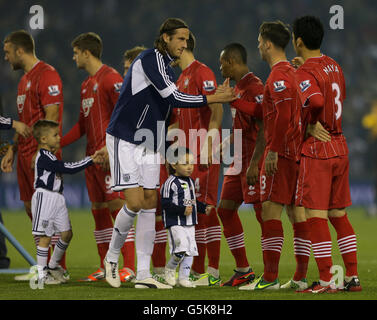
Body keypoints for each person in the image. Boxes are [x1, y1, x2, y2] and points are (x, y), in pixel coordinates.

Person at [96, 17, 235, 289]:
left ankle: (144, 274)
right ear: (166, 38)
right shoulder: (150, 59)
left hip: (150, 142)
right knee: (134, 202)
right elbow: (173, 98)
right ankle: (112, 258)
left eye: (187, 39)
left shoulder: (170, 72)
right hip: (125, 137)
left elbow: (169, 111)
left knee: (150, 202)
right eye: (180, 38)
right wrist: (212, 98)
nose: (185, 44)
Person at [292, 15, 361, 293]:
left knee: (316, 216)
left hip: (318, 149)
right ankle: (352, 277)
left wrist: (309, 122)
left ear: (298, 41)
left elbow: (316, 100)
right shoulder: (334, 65)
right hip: (339, 146)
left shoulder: (303, 73)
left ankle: (325, 281)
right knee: (338, 214)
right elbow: (335, 95)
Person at [60, 32, 135, 282]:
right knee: (99, 212)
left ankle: (130, 267)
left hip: (110, 157)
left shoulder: (110, 78)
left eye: (75, 52)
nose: (73, 57)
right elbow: (82, 126)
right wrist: (56, 144)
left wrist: (111, 148)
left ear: (86, 53)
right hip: (92, 159)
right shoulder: (85, 85)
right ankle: (105, 267)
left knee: (117, 208)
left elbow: (125, 115)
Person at [240, 21, 306, 291]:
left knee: (270, 211)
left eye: (259, 40)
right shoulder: (290, 71)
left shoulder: (278, 76)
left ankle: (268, 279)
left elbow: (283, 117)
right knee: (295, 212)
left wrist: (274, 150)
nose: (257, 45)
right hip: (296, 151)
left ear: (267, 43)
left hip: (283, 152)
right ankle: (301, 278)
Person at [1, 30, 67, 280]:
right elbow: (24, 122)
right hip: (25, 155)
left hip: (42, 158)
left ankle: (57, 269)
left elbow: (51, 116)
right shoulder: (23, 81)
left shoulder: (47, 74)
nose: (5, 57)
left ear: (20, 50)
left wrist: (42, 154)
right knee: (34, 212)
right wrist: (12, 149)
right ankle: (45, 268)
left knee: (48, 214)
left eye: (7, 52)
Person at [166, 32, 223, 286]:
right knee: (192, 213)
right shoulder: (179, 81)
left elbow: (217, 108)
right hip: (186, 158)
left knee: (207, 210)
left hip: (203, 155)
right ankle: (196, 271)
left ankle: (212, 271)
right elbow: (177, 121)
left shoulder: (203, 72)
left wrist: (210, 146)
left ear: (184, 45)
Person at [216, 43, 264, 287]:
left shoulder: (254, 86)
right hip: (238, 161)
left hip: (253, 160)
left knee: (263, 215)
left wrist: (255, 163)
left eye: (222, 61)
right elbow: (243, 123)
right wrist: (228, 140)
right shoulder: (237, 88)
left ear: (232, 61)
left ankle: (272, 274)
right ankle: (243, 270)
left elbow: (265, 120)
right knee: (224, 210)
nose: (220, 66)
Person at [30, 120, 101, 284]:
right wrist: (90, 160)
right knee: (45, 237)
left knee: (67, 234)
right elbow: (68, 168)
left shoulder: (50, 155)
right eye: (55, 135)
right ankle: (41, 276)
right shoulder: (43, 156)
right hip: (45, 197)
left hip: (57, 197)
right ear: (43, 139)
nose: (59, 137)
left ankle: (53, 266)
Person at [161, 147, 213, 288]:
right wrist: (181, 210)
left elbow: (191, 201)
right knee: (182, 247)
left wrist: (202, 208)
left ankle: (184, 278)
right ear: (173, 165)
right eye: (185, 163)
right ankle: (170, 269)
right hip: (176, 222)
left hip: (190, 223)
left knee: (190, 250)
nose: (189, 167)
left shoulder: (190, 182)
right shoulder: (170, 183)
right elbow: (165, 204)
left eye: (191, 163)